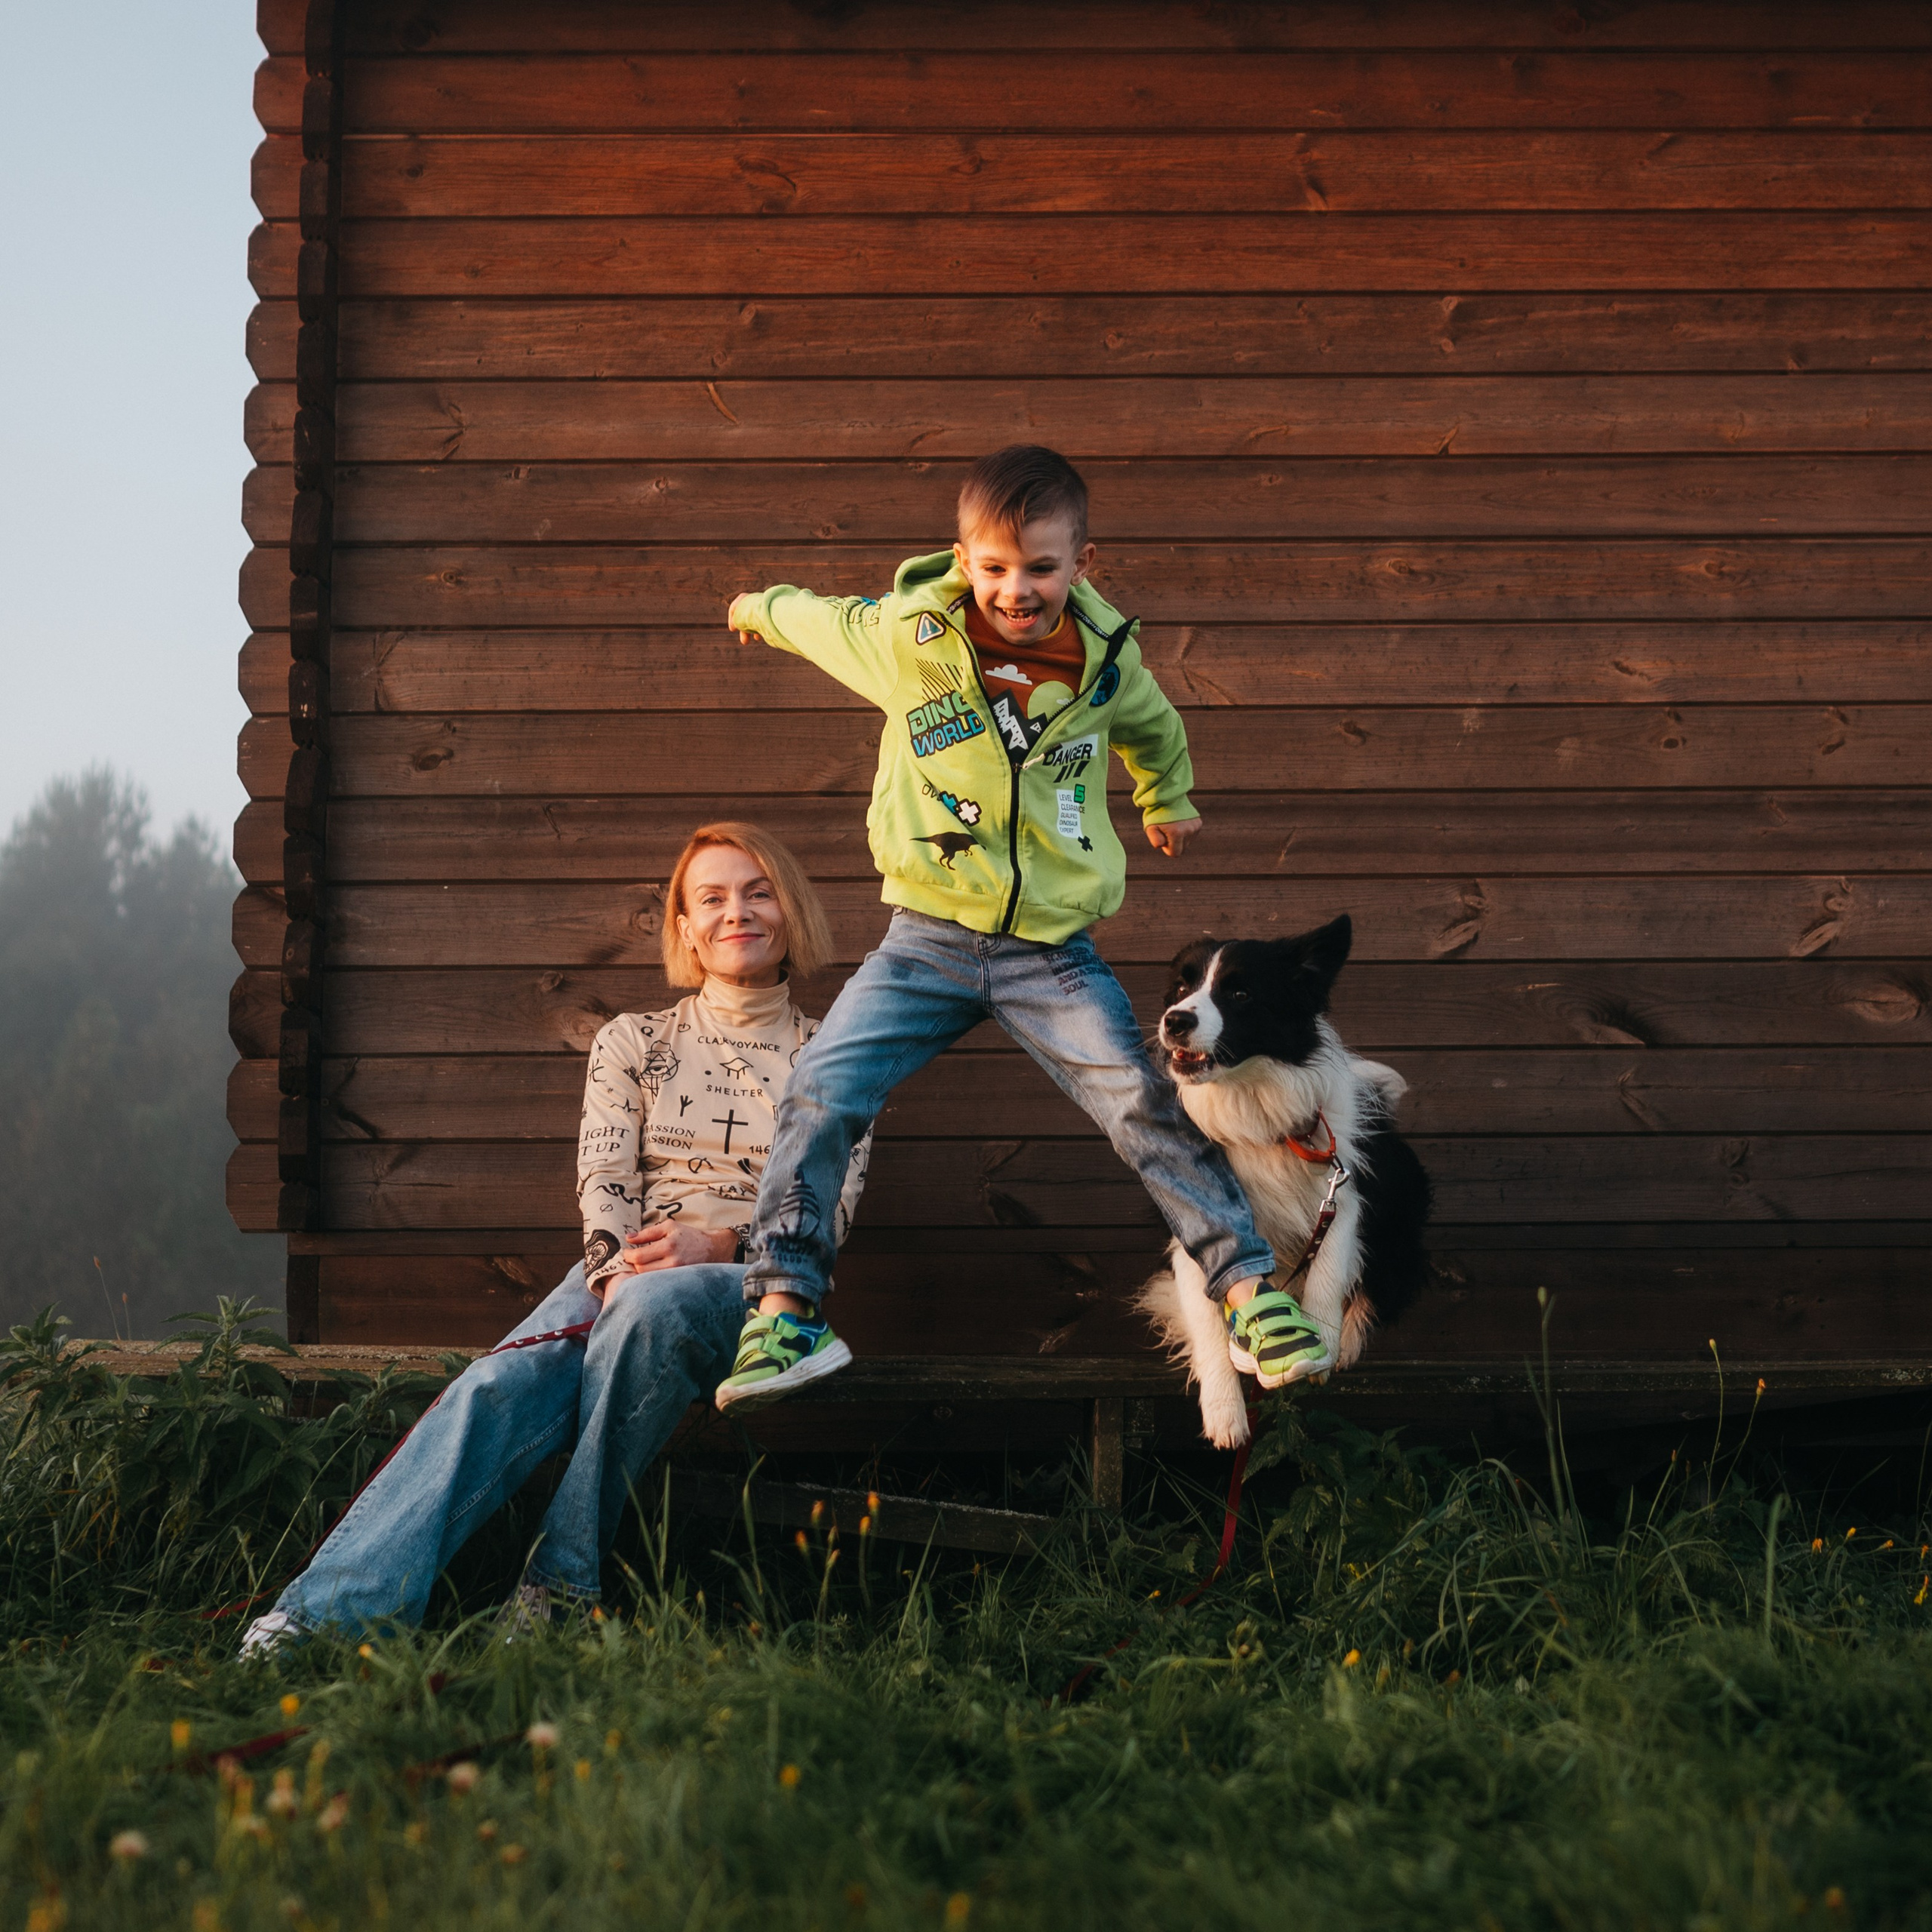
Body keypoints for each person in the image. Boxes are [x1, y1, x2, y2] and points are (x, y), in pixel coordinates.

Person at [713, 444, 1328, 1413]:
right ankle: (785, 1308)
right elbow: (814, 617)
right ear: (963, 560)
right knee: (823, 1085)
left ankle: (1251, 1294)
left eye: (1041, 568)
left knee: (1138, 1098)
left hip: (1051, 950)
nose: (1016, 590)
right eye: (995, 568)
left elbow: (1156, 728)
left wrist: (1165, 796)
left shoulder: (1106, 662)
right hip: (925, 937)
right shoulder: (905, 638)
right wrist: (758, 608)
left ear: (1082, 563)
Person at [239, 823, 867, 1651]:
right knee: (493, 1388)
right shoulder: (633, 1042)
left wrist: (713, 1247)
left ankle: (560, 1577)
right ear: (682, 927)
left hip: (760, 1289)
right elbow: (605, 1178)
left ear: (790, 908)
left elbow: (830, 1203)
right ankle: (320, 1617)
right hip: (625, 1271)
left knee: (658, 1307)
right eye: (710, 897)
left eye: (758, 890)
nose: (736, 912)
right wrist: (612, 1274)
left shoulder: (837, 1054)